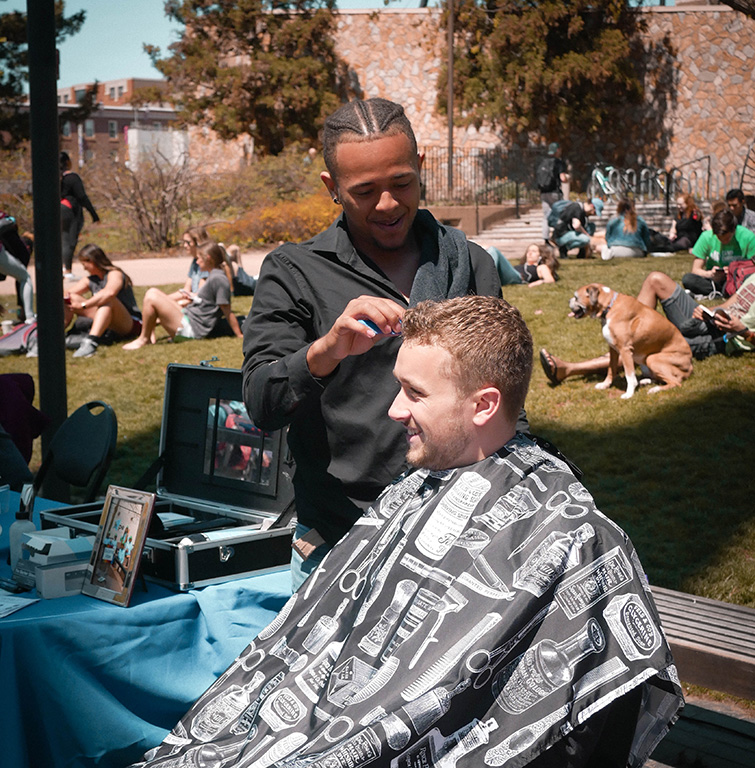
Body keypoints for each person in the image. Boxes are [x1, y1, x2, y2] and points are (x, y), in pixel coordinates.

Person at [133, 295, 683, 768]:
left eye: (414, 393)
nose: (394, 410)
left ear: (484, 405)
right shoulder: (420, 483)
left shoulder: (570, 533)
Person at [242, 97, 515, 591]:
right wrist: (327, 350)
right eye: (365, 191)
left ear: (420, 166)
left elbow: (503, 398)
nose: (387, 204)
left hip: (461, 540)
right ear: (332, 187)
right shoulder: (293, 272)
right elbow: (262, 402)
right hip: (339, 544)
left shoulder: (470, 263)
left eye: (401, 183)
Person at [540, 269, 755, 385]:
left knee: (631, 344)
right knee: (656, 279)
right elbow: (731, 303)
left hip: (724, 338)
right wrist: (709, 310)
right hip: (710, 320)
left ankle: (569, 369)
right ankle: (623, 321)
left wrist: (742, 331)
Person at [124, 240, 242, 349]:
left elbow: (226, 310)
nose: (197, 262)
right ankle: (147, 336)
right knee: (153, 292)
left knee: (152, 295)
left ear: (208, 258)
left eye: (199, 258)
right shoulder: (214, 276)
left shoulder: (218, 279)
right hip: (189, 318)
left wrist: (239, 335)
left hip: (193, 329)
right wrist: (192, 297)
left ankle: (144, 339)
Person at [64, 244, 142, 359]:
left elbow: (109, 293)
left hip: (129, 323)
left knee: (108, 300)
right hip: (107, 320)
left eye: (84, 264)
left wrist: (83, 305)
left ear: (92, 261)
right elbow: (67, 294)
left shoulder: (115, 273)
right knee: (70, 298)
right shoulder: (90, 279)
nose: (84, 268)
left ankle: (91, 342)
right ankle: (54, 336)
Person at [682, 208, 755, 298]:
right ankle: (723, 292)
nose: (724, 242)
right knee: (688, 279)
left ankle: (719, 292)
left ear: (734, 230)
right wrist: (710, 274)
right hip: (713, 280)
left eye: (727, 238)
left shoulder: (748, 237)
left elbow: (752, 269)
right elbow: (695, 270)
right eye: (719, 238)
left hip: (737, 279)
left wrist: (733, 271)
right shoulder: (706, 237)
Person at [60, 151, 99, 279]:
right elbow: (82, 197)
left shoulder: (55, 177)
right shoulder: (72, 177)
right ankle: (67, 271)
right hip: (69, 209)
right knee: (69, 240)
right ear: (67, 162)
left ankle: (61, 268)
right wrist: (93, 214)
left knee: (61, 239)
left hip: (57, 209)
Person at [167, 226, 210, 307]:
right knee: (155, 297)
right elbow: (186, 289)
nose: (185, 245)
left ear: (198, 243)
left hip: (199, 307)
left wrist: (178, 304)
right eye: (184, 242)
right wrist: (164, 299)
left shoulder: (206, 263)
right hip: (191, 299)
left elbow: (200, 296)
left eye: (188, 242)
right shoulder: (195, 261)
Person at [536, 142, 568, 243]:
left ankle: (546, 239)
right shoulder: (558, 162)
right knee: (560, 214)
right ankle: (557, 236)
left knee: (546, 216)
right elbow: (563, 178)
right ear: (557, 150)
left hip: (544, 193)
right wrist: (568, 178)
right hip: (555, 193)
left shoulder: (543, 162)